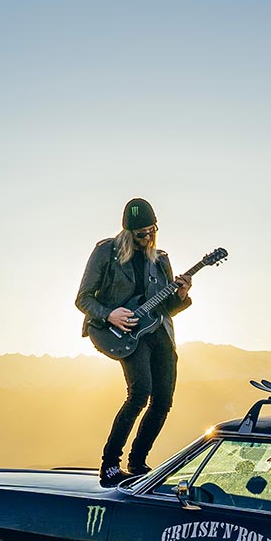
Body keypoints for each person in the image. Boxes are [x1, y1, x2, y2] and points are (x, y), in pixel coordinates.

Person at [76, 197, 193, 485]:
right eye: (142, 234)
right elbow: (83, 299)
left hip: (159, 332)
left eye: (152, 231)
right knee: (139, 395)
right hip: (124, 333)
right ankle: (110, 464)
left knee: (163, 401)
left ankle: (138, 462)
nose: (149, 237)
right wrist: (109, 314)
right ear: (128, 233)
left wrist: (181, 296)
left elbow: (164, 308)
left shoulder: (161, 259)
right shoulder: (107, 253)